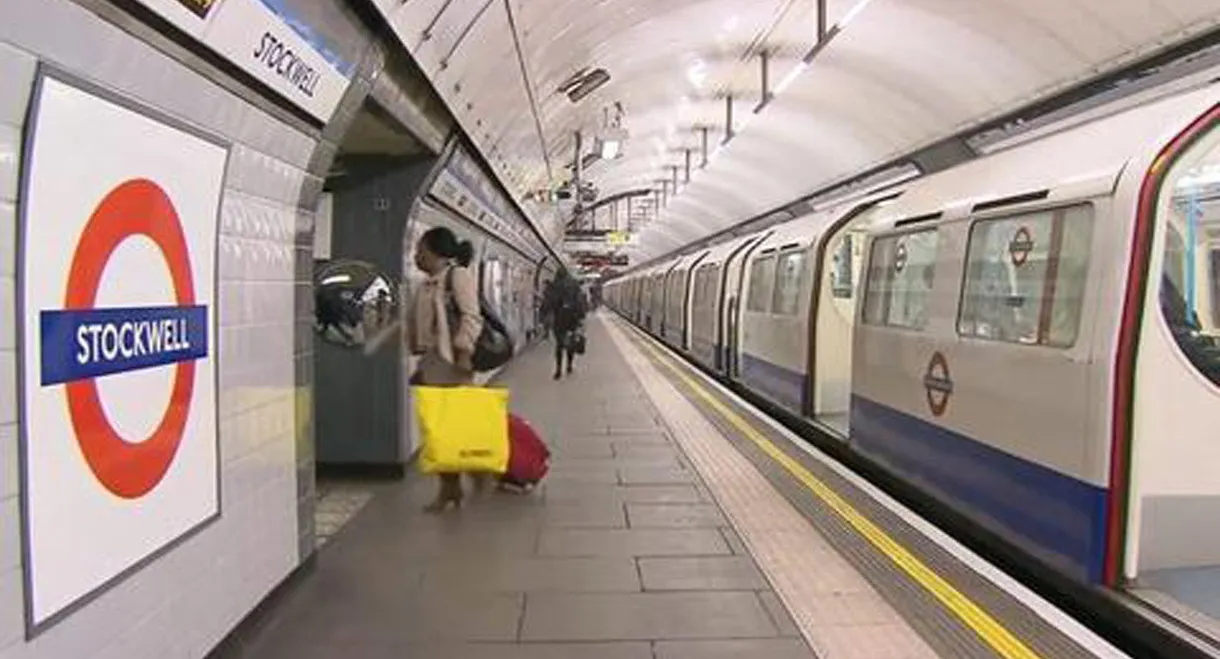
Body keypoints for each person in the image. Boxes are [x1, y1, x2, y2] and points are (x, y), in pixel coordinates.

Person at [405, 226, 485, 513]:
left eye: (421, 251)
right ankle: (451, 488)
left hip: (453, 363)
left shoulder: (457, 276)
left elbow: (471, 317)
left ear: (436, 253)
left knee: (451, 429)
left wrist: (464, 351)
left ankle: (471, 476)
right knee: (437, 431)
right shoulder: (427, 284)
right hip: (432, 363)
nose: (416, 256)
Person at [541, 270, 588, 379]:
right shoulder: (574, 286)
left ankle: (558, 370)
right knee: (571, 342)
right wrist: (581, 317)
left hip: (559, 319)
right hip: (572, 319)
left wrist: (544, 314)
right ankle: (569, 365)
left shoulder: (554, 286)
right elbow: (580, 302)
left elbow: (548, 302)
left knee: (559, 344)